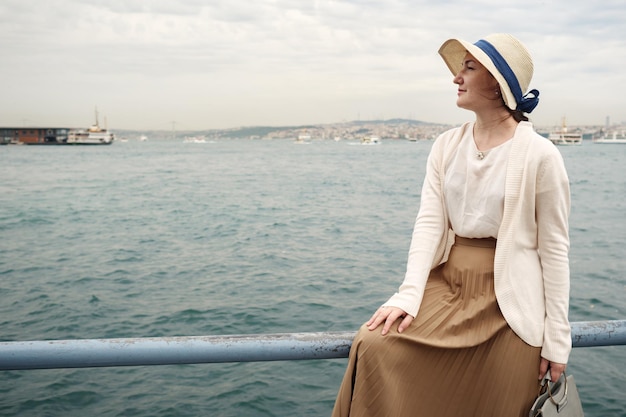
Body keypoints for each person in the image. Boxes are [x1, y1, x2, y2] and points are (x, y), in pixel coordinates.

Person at [332, 33, 571, 417]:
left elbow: (555, 250)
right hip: (448, 287)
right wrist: (408, 294)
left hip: (511, 305)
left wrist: (558, 340)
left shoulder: (542, 155)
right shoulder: (445, 145)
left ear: (497, 81)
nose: (456, 77)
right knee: (374, 344)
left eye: (469, 67)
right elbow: (428, 223)